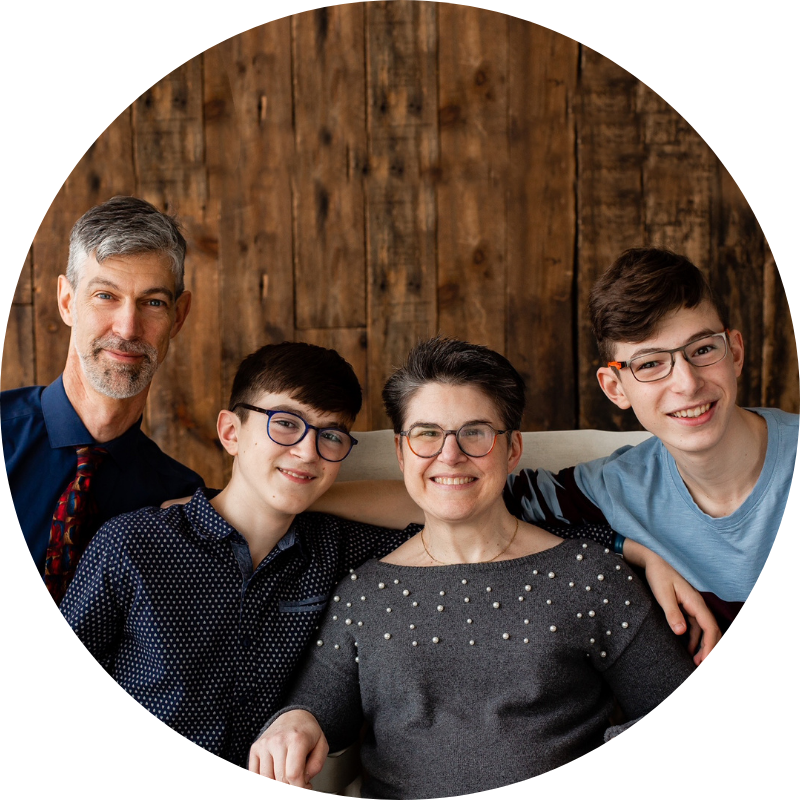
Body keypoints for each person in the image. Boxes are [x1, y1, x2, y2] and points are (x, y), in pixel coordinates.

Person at [250, 337, 696, 796]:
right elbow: (320, 711)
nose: (450, 455)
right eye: (427, 434)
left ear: (513, 449)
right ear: (402, 454)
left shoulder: (589, 576)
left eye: (475, 432)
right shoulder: (365, 590)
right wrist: (295, 723)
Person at [59, 341, 422, 768]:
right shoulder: (132, 543)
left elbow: (433, 509)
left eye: (331, 436)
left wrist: (303, 493)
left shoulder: (335, 548)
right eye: (286, 424)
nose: (308, 451)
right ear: (231, 432)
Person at [503, 248, 798, 629]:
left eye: (703, 349)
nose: (687, 384)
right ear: (615, 389)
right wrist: (638, 552)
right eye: (650, 364)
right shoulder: (614, 487)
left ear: (735, 352)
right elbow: (463, 497)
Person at [2, 196, 203, 602]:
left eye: (153, 302)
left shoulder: (180, 501)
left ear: (178, 317)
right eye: (105, 296)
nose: (128, 328)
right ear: (66, 301)